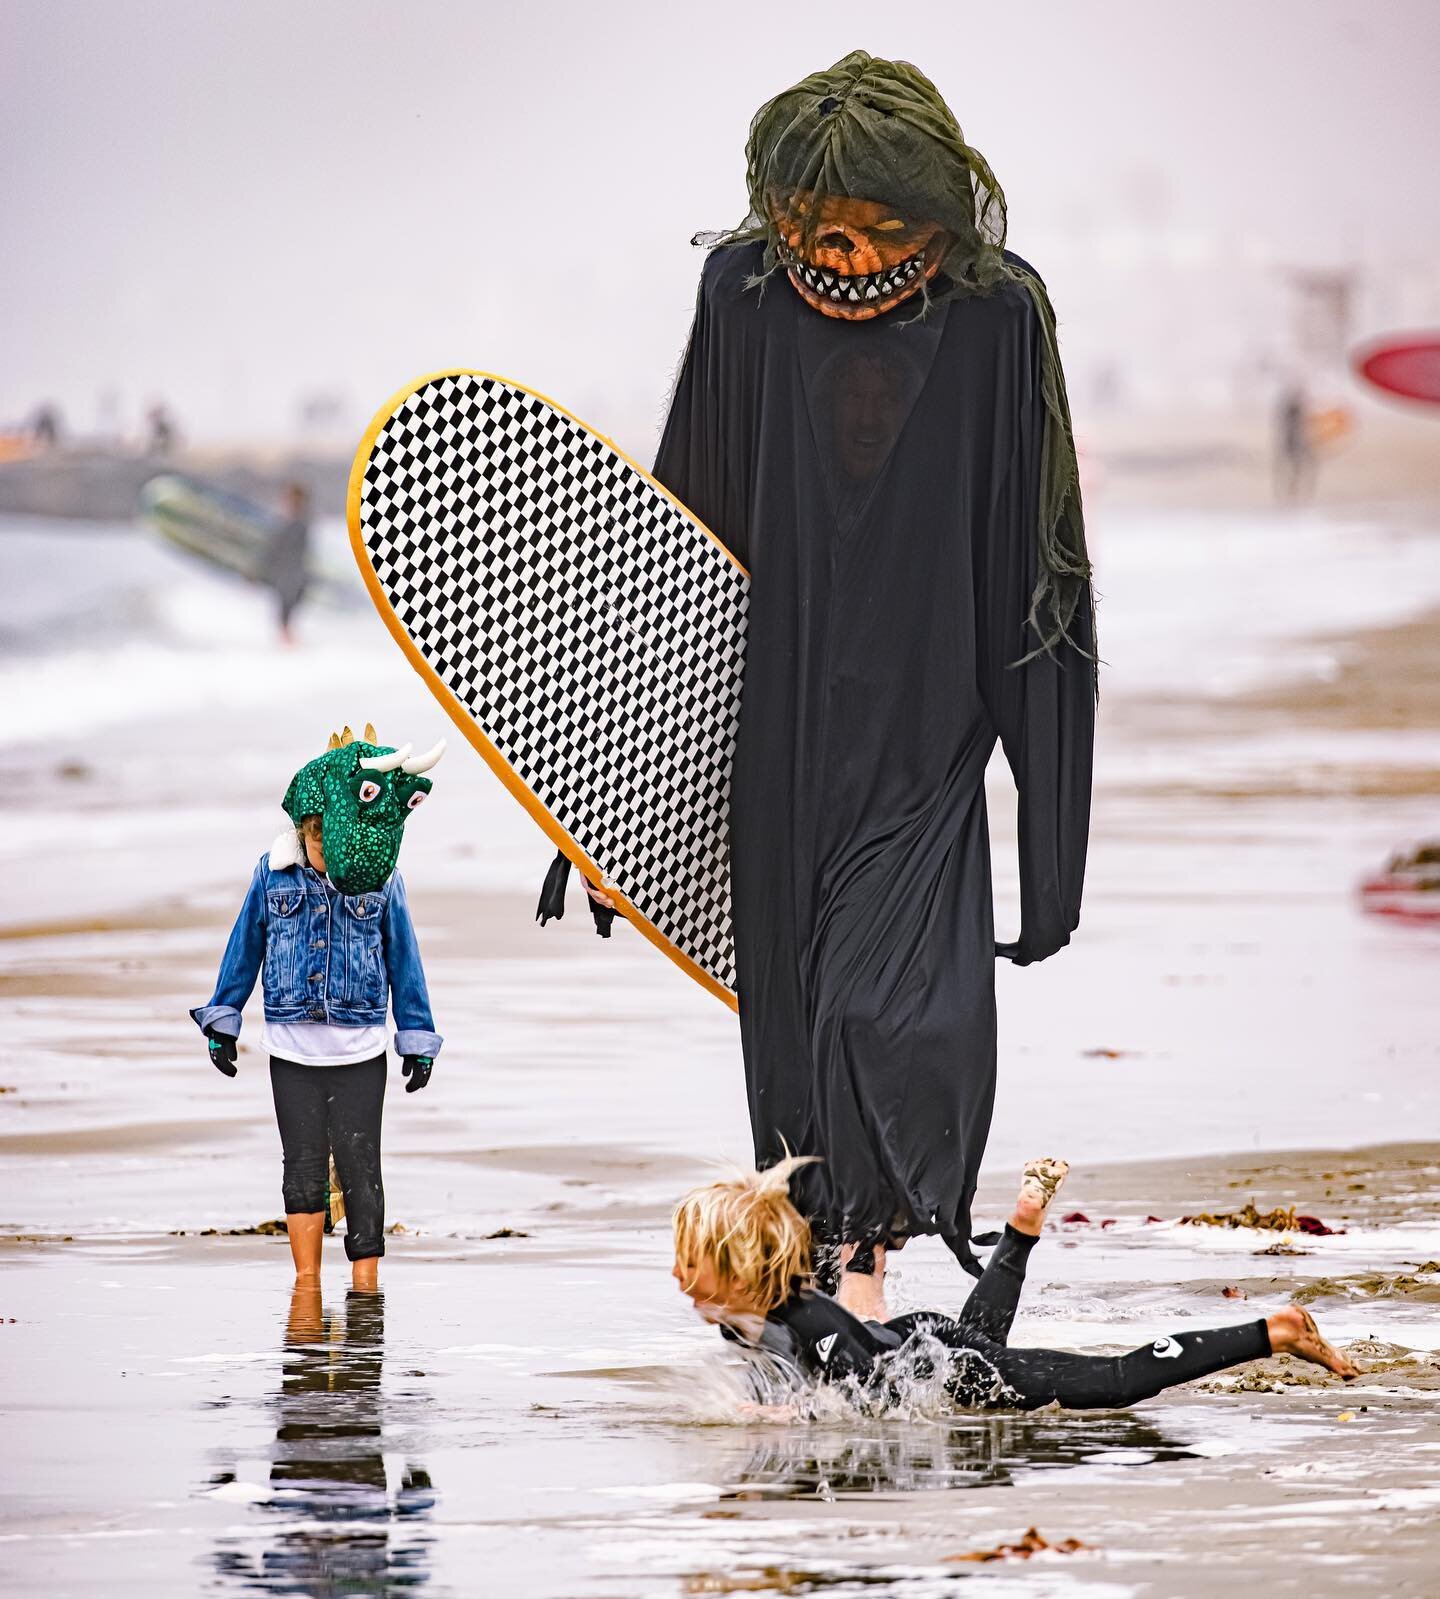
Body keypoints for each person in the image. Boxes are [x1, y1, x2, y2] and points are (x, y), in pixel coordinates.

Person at [644, 51, 1097, 1281]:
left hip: (927, 717)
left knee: (887, 1016)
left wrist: (1049, 832)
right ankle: (843, 1293)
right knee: (795, 1025)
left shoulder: (1000, 315)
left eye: (872, 230)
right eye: (812, 228)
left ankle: (875, 1262)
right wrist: (601, 761)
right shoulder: (740, 294)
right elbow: (681, 522)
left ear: (938, 219)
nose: (838, 255)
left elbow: (1038, 556)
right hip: (774, 723)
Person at [672, 1157, 1358, 1412]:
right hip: (929, 1344)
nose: (677, 1274)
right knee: (984, 1347)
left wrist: (786, 1418)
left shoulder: (808, 1318)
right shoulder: (744, 1315)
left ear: (733, 1264)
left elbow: (860, 1391)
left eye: (688, 1260)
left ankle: (1275, 1330)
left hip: (933, 1362)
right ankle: (1022, 1225)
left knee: (1113, 1383)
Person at [190, 726, 446, 1291]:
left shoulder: (381, 880)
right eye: (323, 847)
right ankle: (306, 1282)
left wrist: (418, 1039)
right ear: (308, 829)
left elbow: (405, 960)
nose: (333, 861)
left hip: (360, 1050)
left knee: (361, 1167)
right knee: (301, 1166)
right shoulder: (272, 873)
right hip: (291, 1049)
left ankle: (365, 1283)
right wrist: (223, 1019)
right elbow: (245, 947)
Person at [268, 480, 312, 644]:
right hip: (286, 571)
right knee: (284, 610)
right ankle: (287, 641)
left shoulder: (299, 523)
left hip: (291, 572)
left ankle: (288, 642)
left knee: (286, 608)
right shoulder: (292, 521)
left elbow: (288, 549)